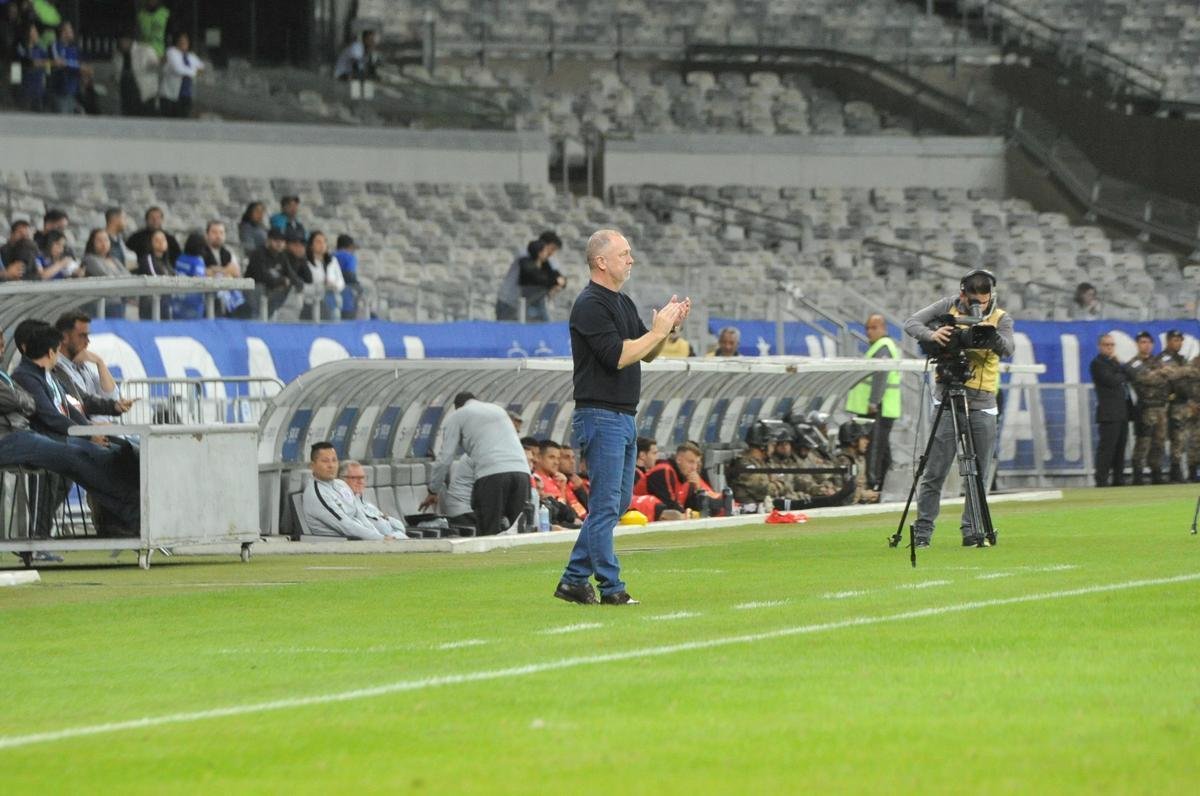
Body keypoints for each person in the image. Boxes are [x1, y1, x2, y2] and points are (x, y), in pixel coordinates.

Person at [554, 229, 690, 606]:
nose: (631, 260)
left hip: (621, 416)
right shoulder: (590, 305)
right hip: (601, 415)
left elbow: (645, 353)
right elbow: (618, 355)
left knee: (615, 504)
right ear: (601, 262)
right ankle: (612, 588)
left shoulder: (621, 302)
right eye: (624, 254)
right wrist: (658, 331)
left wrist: (667, 330)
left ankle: (573, 580)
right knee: (604, 506)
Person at [903, 269, 1014, 548]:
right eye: (974, 299)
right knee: (935, 470)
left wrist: (991, 336)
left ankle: (972, 530)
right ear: (963, 293)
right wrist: (933, 334)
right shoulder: (947, 306)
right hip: (948, 396)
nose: (980, 305)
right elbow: (911, 322)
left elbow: (1008, 349)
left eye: (985, 300)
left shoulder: (1001, 318)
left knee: (978, 472)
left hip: (983, 400)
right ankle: (923, 532)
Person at [0, 325, 140, 534]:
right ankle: (130, 511)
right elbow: (36, 407)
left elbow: (71, 404)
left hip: (23, 434)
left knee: (115, 450)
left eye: (3, 344)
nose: (2, 349)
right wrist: (88, 433)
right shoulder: (24, 375)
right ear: (50, 352)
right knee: (73, 455)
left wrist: (89, 428)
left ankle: (127, 512)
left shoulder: (40, 375)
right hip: (12, 438)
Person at [422, 392, 531, 535]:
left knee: (489, 530)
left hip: (492, 474)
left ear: (457, 406)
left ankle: (490, 556)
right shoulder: (498, 410)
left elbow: (445, 459)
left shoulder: (458, 415)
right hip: (522, 471)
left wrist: (433, 490)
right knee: (517, 529)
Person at [844, 313, 902, 492]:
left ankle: (873, 485)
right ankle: (885, 485)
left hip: (878, 407)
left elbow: (880, 375)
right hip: (883, 407)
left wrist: (873, 401)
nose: (869, 332)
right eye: (867, 328)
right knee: (882, 450)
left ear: (883, 328)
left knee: (874, 449)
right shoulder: (881, 346)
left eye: (873, 328)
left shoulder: (882, 347)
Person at [302, 442, 405, 540]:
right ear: (312, 466)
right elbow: (346, 526)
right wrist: (380, 538)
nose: (331, 465)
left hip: (367, 538)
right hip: (343, 543)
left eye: (334, 460)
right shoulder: (317, 493)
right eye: (325, 461)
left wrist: (378, 535)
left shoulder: (341, 484)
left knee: (402, 539)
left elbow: (359, 513)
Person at [1090, 334, 1131, 487]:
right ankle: (1101, 479)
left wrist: (1120, 365)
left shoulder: (1115, 363)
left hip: (1122, 412)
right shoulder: (1097, 363)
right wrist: (1122, 373)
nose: (1109, 347)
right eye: (1106, 345)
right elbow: (1111, 381)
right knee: (1107, 448)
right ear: (1100, 346)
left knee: (1120, 448)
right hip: (1108, 413)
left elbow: (1130, 373)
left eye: (1112, 345)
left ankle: (1118, 479)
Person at [1128, 331, 1169, 485]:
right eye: (1142, 342)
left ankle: (1156, 473)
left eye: (1148, 342)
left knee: (1159, 442)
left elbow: (1171, 375)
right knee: (1143, 442)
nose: (1146, 345)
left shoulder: (1157, 361)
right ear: (1137, 344)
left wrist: (1157, 374)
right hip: (1145, 408)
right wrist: (1159, 374)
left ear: (1152, 344)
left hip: (1161, 407)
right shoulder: (1134, 363)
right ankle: (1138, 475)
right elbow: (1143, 378)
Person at [495, 231, 563, 321]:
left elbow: (558, 277)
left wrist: (559, 281)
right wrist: (554, 281)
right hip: (509, 301)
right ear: (543, 246)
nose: (552, 253)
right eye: (552, 249)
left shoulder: (547, 261)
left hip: (527, 305)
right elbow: (534, 275)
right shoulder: (525, 255)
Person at [338, 460, 414, 539]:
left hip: (393, 539)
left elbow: (400, 527)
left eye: (362, 477)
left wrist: (388, 522)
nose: (361, 482)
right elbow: (367, 532)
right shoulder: (346, 507)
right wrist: (392, 534)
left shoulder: (367, 505)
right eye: (355, 478)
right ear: (341, 480)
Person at [643, 441, 723, 516]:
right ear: (678, 459)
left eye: (696, 463)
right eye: (691, 462)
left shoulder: (686, 478)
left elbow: (695, 505)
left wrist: (698, 490)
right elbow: (669, 506)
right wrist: (689, 515)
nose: (694, 468)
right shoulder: (663, 471)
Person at [244, 228, 302, 318]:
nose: (279, 243)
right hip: (253, 294)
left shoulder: (282, 255)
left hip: (270, 295)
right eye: (276, 240)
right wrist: (282, 280)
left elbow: (291, 275)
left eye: (282, 241)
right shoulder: (258, 253)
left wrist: (299, 283)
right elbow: (261, 276)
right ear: (268, 241)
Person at [728, 422, 784, 511]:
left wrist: (775, 483)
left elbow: (784, 482)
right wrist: (775, 483)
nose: (773, 448)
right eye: (771, 445)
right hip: (748, 512)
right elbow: (765, 490)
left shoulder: (764, 462)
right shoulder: (743, 464)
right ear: (763, 446)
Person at [1159, 330, 1188, 483]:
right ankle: (1157, 472)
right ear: (1168, 341)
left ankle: (1176, 471)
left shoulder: (1181, 359)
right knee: (1161, 438)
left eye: (1180, 340)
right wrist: (1186, 371)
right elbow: (1173, 375)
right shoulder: (1163, 358)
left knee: (1179, 439)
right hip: (1167, 404)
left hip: (1181, 404)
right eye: (1175, 340)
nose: (1178, 343)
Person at [202, 220, 245, 317]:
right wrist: (226, 271)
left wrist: (217, 270)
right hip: (207, 293)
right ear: (207, 235)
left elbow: (236, 272)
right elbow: (204, 272)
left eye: (221, 233)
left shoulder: (228, 253)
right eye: (214, 232)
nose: (218, 236)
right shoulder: (201, 251)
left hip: (227, 291)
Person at [113, 28, 159, 116]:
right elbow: (116, 74)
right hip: (125, 95)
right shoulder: (117, 56)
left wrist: (156, 64)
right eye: (121, 42)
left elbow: (155, 67)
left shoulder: (145, 50)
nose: (123, 44)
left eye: (125, 41)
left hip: (145, 95)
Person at [301, 231, 344, 321]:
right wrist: (321, 284)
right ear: (311, 245)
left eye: (324, 241)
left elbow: (341, 282)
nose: (322, 244)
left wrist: (334, 285)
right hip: (312, 302)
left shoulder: (332, 261)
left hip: (330, 300)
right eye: (318, 242)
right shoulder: (305, 263)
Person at [159, 30, 203, 118]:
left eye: (186, 41)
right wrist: (194, 71)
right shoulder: (171, 52)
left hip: (186, 95)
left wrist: (190, 71)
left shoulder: (191, 56)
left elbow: (202, 69)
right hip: (170, 95)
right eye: (182, 41)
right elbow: (178, 69)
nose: (184, 43)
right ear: (177, 42)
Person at [834, 421, 879, 504]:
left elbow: (860, 485)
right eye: (863, 438)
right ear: (853, 441)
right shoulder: (844, 460)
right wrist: (865, 495)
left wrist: (867, 495)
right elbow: (844, 492)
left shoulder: (859, 459)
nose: (867, 441)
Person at [170, 231, 208, 319]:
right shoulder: (198, 261)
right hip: (192, 302)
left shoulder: (180, 258)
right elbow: (200, 280)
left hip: (178, 299)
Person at [48, 19, 80, 114]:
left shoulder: (73, 49)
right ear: (63, 33)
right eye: (70, 30)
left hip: (72, 90)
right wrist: (72, 64)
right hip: (60, 90)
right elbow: (58, 62)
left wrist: (70, 64)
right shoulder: (55, 46)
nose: (72, 33)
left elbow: (79, 64)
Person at [16, 21, 49, 111]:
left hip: (39, 89)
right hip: (25, 89)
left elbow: (47, 63)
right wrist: (34, 63)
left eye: (36, 31)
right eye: (33, 31)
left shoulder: (40, 49)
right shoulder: (21, 47)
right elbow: (25, 62)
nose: (36, 34)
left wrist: (41, 63)